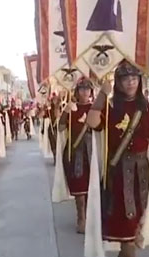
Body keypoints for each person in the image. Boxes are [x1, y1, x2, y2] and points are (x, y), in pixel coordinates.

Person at [86, 61, 149, 257]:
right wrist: (102, 94)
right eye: (125, 78)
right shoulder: (110, 107)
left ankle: (126, 253)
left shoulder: (148, 108)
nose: (131, 81)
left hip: (141, 169)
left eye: (134, 77)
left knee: (137, 215)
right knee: (125, 216)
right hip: (118, 171)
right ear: (119, 82)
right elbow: (92, 122)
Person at [57, 77, 94, 234]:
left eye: (87, 89)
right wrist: (65, 112)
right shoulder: (71, 108)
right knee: (79, 186)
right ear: (77, 92)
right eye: (81, 89)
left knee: (90, 186)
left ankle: (89, 215)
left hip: (91, 151)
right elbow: (60, 128)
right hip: (75, 151)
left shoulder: (95, 108)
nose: (84, 92)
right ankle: (81, 217)